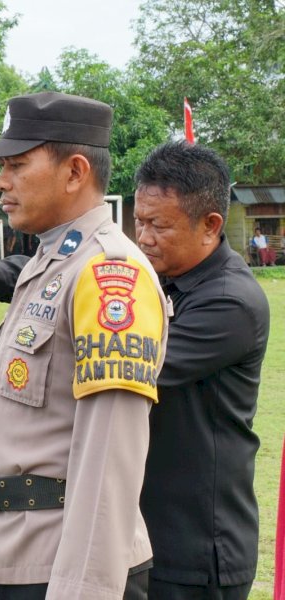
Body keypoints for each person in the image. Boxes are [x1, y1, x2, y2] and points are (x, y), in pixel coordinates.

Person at [0, 91, 169, 599]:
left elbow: (109, 455)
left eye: (17, 165)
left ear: (75, 172)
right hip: (16, 554)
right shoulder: (47, 263)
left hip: (64, 565)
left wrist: (83, 590)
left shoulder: (107, 275)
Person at [133, 141, 270, 599]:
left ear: (211, 226)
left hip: (195, 550)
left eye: (159, 225)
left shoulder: (228, 301)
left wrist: (2, 356)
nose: (143, 237)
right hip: (153, 533)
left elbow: (129, 371)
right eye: (139, 221)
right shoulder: (165, 278)